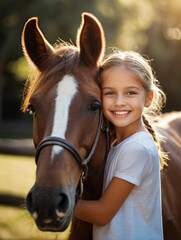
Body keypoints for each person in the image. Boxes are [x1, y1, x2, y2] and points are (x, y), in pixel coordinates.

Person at [74, 50, 168, 240]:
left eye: (130, 93)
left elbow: (102, 213)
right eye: (109, 93)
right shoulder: (118, 144)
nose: (119, 102)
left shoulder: (137, 148)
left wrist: (57, 203)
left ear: (148, 98)